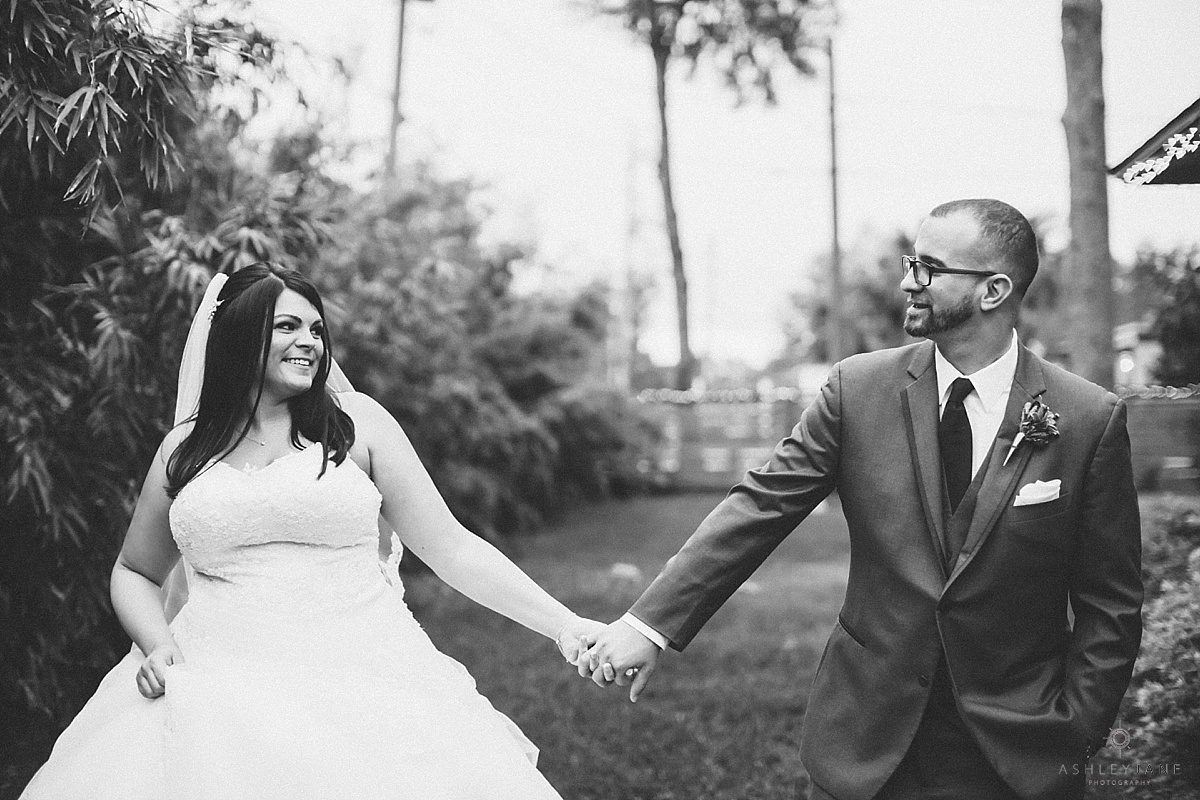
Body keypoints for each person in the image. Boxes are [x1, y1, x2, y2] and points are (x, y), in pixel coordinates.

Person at [580, 199, 1143, 800]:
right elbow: (760, 505)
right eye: (910, 262)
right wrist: (650, 624)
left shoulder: (1086, 419)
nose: (908, 281)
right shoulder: (859, 389)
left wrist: (1078, 728)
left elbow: (1110, 601)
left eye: (928, 267)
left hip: (1015, 753)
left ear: (994, 290)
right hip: (866, 744)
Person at [21, 263, 600, 799]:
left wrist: (566, 627)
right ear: (241, 338)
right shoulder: (184, 449)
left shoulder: (360, 425)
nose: (310, 343)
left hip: (366, 676)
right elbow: (136, 570)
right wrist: (159, 644)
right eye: (288, 327)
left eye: (317, 330)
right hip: (214, 686)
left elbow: (452, 549)